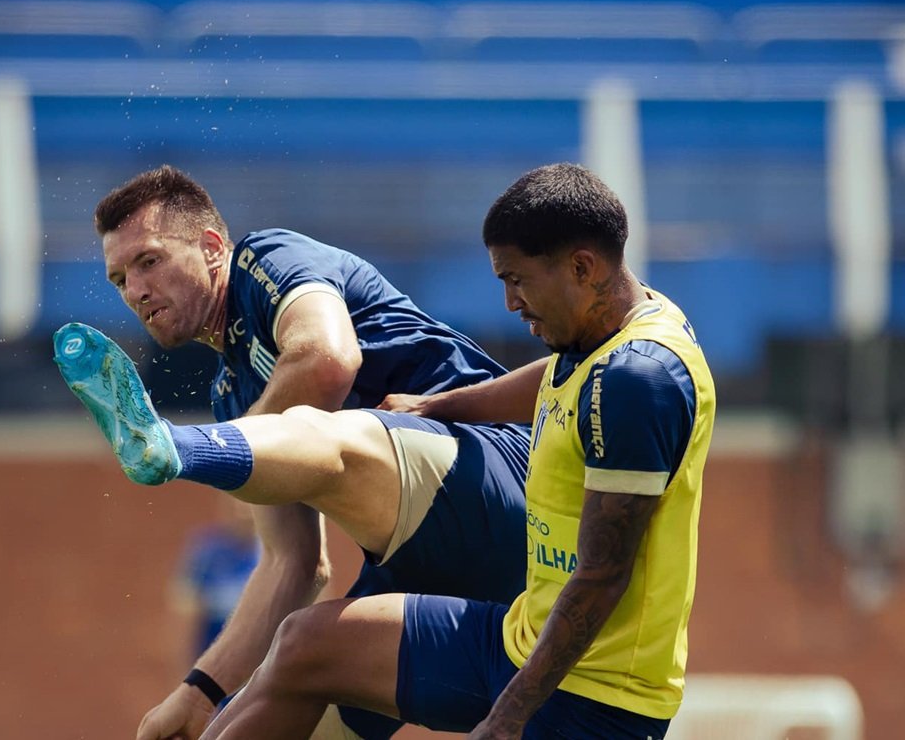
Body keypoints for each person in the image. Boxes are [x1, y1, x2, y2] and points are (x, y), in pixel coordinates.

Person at [175, 163, 713, 738]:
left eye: (518, 280)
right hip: (516, 640)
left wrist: (508, 715)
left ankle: (178, 448)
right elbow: (557, 377)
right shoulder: (608, 329)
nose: (510, 302)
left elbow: (604, 576)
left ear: (582, 267)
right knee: (307, 643)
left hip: (592, 698)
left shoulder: (638, 381)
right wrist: (437, 406)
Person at [61, 165, 535, 740]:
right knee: (278, 702)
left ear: (212, 247)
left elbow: (327, 360)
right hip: (464, 592)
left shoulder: (268, 260)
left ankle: (171, 447)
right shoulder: (230, 397)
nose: (135, 290)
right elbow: (295, 565)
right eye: (119, 280)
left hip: (498, 480)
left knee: (321, 424)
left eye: (149, 261)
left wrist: (224, 443)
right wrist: (199, 692)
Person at [173, 497, 261, 662]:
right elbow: (186, 604)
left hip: (259, 649)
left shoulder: (275, 553)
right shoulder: (207, 550)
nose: (244, 515)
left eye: (249, 509)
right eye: (238, 509)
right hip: (212, 645)